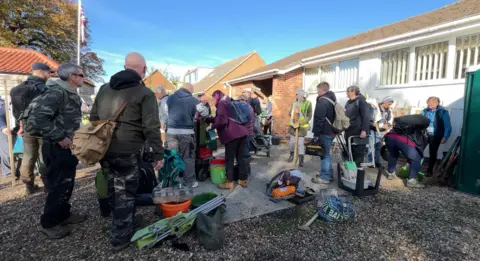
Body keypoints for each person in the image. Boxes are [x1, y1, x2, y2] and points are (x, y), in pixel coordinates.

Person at [90, 52, 164, 251]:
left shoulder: (104, 88)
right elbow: (151, 127)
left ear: (124, 67)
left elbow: (93, 117)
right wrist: (159, 153)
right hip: (128, 151)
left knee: (114, 187)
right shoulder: (145, 93)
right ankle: (120, 236)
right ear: (143, 69)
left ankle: (124, 222)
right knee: (125, 192)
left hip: (104, 149)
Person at [25, 63, 86, 239]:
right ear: (72, 77)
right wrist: (60, 137)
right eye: (81, 75)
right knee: (58, 185)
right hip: (56, 146)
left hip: (67, 147)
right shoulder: (56, 92)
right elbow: (38, 118)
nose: (83, 78)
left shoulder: (67, 91)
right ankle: (49, 223)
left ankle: (63, 215)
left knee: (66, 183)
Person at [11, 62, 52, 194]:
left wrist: (20, 126)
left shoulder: (18, 88)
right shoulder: (44, 88)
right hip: (43, 127)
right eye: (48, 72)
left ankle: (28, 186)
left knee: (28, 156)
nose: (49, 75)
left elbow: (17, 111)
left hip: (27, 127)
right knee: (44, 155)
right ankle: (47, 185)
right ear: (42, 71)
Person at [208, 90, 249, 189]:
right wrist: (209, 119)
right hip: (242, 132)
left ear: (217, 96)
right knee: (241, 158)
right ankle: (242, 180)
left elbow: (222, 120)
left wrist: (211, 127)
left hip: (232, 134)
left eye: (214, 97)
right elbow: (223, 117)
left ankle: (229, 182)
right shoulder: (229, 102)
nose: (213, 100)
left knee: (229, 159)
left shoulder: (221, 104)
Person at [166, 83, 199, 188]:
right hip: (186, 133)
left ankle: (171, 182)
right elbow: (203, 112)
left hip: (171, 132)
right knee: (188, 157)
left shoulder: (169, 98)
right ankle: (189, 182)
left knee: (172, 156)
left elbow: (165, 114)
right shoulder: (193, 100)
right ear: (190, 91)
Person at [384, 117, 428, 188]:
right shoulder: (418, 130)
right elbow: (419, 145)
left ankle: (391, 173)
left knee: (393, 155)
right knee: (416, 158)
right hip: (402, 140)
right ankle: (412, 181)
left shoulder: (403, 124)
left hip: (390, 137)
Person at [311, 82, 336, 184]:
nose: (317, 92)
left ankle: (324, 177)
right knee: (327, 154)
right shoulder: (332, 100)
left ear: (322, 90)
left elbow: (319, 119)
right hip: (331, 131)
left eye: (318, 90)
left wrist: (316, 135)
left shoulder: (322, 101)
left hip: (324, 132)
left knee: (324, 155)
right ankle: (329, 175)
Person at [421, 96, 452, 176]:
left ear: (437, 103)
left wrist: (445, 136)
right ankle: (415, 167)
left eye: (431, 105)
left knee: (433, 153)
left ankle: (429, 170)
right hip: (425, 134)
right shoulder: (425, 111)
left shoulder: (443, 112)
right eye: (428, 105)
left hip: (436, 135)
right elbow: (420, 121)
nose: (429, 107)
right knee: (419, 149)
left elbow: (447, 125)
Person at [344, 86, 370, 167]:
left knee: (358, 153)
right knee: (350, 152)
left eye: (348, 92)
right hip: (349, 131)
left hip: (359, 132)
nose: (346, 93)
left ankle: (358, 173)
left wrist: (364, 130)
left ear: (353, 92)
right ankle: (352, 173)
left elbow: (366, 116)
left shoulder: (361, 102)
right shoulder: (348, 103)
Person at [287, 89, 312, 167]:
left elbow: (309, 115)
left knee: (300, 144)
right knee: (292, 142)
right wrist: (292, 114)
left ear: (301, 95)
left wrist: (302, 122)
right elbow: (290, 113)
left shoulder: (308, 103)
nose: (296, 96)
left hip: (302, 127)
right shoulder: (294, 102)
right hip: (293, 126)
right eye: (296, 94)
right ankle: (291, 154)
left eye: (297, 94)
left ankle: (301, 159)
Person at [368, 96, 394, 168]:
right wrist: (381, 125)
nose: (389, 106)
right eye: (389, 104)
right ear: (385, 102)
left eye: (390, 105)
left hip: (382, 132)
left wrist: (387, 127)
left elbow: (390, 120)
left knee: (378, 147)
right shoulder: (375, 108)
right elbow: (370, 121)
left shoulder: (388, 110)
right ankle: (370, 162)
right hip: (373, 130)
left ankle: (377, 162)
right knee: (371, 147)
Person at [237, 95, 255, 175]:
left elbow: (242, 121)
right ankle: (247, 171)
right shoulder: (250, 107)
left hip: (245, 133)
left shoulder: (245, 108)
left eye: (240, 100)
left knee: (243, 154)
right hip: (249, 132)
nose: (239, 102)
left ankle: (245, 173)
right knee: (245, 154)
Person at [0, 97, 15, 177]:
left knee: (19, 150)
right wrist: (2, 127)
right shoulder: (4, 105)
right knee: (6, 151)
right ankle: (8, 172)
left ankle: (20, 170)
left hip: (15, 128)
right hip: (3, 128)